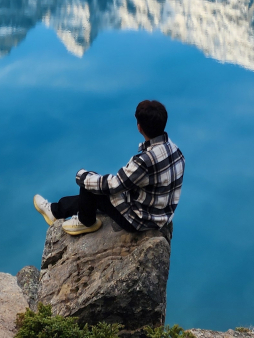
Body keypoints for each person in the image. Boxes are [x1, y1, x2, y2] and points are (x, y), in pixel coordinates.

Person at [33, 99, 184, 236]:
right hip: (161, 215)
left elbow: (115, 185)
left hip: (140, 221)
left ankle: (86, 222)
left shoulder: (145, 161)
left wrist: (81, 176)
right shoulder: (176, 151)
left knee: (90, 183)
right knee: (96, 192)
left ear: (140, 128)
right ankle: (55, 211)